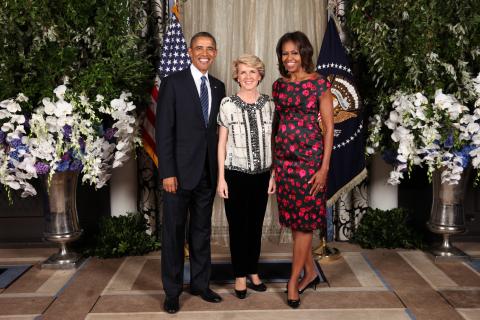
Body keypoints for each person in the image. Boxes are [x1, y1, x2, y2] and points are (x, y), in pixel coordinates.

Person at [156, 31, 226, 314]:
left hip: (207, 174)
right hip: (178, 175)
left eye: (210, 48)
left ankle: (200, 284)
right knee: (173, 234)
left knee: (201, 232)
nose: (204, 53)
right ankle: (172, 292)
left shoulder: (219, 87)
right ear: (189, 50)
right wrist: (168, 172)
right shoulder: (173, 84)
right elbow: (163, 131)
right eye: (199, 48)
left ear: (216, 53)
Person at [271, 31, 334, 309]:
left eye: (294, 52)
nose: (289, 58)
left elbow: (330, 128)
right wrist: (273, 165)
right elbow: (276, 125)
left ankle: (293, 281)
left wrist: (324, 169)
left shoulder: (319, 84)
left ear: (304, 53)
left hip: (310, 163)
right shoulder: (278, 86)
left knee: (306, 222)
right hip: (284, 163)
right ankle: (310, 272)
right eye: (284, 53)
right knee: (296, 222)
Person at [216, 54, 276, 299]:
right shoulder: (227, 104)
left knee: (255, 225)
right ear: (236, 76)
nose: (248, 77)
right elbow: (221, 144)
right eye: (243, 72)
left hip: (263, 175)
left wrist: (273, 175)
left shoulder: (270, 105)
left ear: (260, 75)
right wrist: (221, 178)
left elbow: (275, 142)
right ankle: (240, 275)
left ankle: (253, 271)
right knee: (238, 227)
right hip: (235, 175)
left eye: (253, 72)